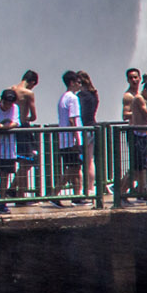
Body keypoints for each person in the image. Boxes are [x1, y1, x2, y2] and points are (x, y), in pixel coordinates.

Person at [54, 71, 87, 204]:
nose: (80, 85)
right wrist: (77, 139)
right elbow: (72, 120)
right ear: (72, 83)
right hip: (71, 140)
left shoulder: (63, 97)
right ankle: (55, 194)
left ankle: (77, 196)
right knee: (72, 169)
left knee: (75, 168)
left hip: (64, 140)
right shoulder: (73, 98)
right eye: (79, 82)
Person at [8, 70, 40, 202]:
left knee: (23, 161)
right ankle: (17, 193)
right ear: (32, 82)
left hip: (13, 128)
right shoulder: (28, 93)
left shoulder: (11, 89)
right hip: (23, 128)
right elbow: (33, 116)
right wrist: (25, 118)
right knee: (28, 161)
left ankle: (16, 191)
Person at [78, 71, 102, 193]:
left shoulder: (81, 96)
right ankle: (91, 187)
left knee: (85, 162)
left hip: (84, 129)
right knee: (90, 160)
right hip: (93, 126)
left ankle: (87, 188)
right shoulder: (94, 94)